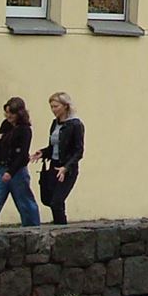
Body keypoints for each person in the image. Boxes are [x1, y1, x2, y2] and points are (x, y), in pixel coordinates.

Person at [0, 96, 41, 228]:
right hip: (2, 168)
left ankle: (32, 228)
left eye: (11, 113)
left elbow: (22, 155)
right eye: (6, 113)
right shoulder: (5, 126)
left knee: (24, 202)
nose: (8, 116)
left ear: (19, 113)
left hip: (18, 171)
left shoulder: (25, 130)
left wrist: (11, 172)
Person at [33, 91, 85, 225]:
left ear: (65, 106)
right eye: (51, 107)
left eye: (56, 106)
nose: (53, 110)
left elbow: (78, 151)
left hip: (67, 169)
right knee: (49, 199)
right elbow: (53, 147)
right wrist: (43, 153)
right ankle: (59, 225)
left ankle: (61, 227)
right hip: (54, 165)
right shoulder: (55, 124)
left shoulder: (75, 125)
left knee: (57, 201)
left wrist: (66, 167)